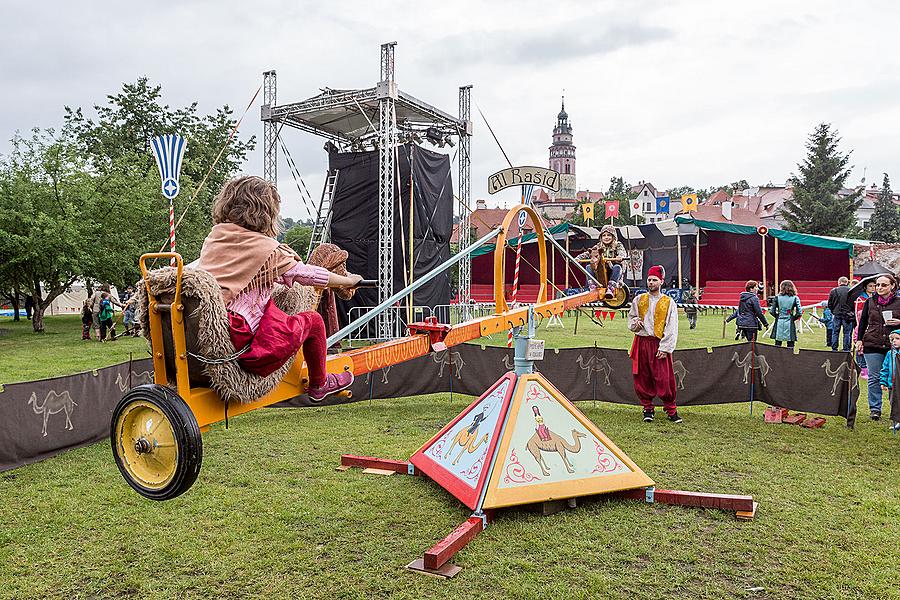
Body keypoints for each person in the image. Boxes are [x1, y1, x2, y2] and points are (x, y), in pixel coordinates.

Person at [197, 175, 361, 402]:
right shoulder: (267, 249)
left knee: (273, 307)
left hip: (214, 324)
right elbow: (307, 274)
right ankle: (319, 383)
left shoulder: (215, 238)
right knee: (313, 321)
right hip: (240, 334)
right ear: (266, 211)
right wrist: (347, 281)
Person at [628, 265, 681, 423]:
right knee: (643, 377)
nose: (651, 282)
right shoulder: (639, 299)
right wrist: (635, 324)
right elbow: (631, 319)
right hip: (642, 342)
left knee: (664, 377)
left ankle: (671, 410)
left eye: (654, 280)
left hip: (659, 343)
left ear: (661, 281)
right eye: (649, 280)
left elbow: (672, 326)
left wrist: (665, 347)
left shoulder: (668, 302)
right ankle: (647, 409)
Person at [855, 273, 900, 420]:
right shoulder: (870, 302)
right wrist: (859, 340)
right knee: (874, 377)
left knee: (894, 377)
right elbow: (862, 323)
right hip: (872, 343)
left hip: (893, 344)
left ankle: (895, 410)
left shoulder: (899, 302)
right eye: (877, 285)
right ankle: (875, 409)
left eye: (884, 285)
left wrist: (898, 323)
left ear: (892, 286)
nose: (879, 287)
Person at [575, 225, 626, 299]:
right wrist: (578, 258)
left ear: (613, 237)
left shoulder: (617, 245)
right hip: (600, 271)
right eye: (604, 235)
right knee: (588, 266)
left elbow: (622, 252)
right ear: (601, 238)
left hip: (612, 270)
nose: (606, 237)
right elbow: (588, 253)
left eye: (609, 235)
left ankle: (611, 287)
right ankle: (592, 286)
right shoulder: (598, 246)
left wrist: (620, 256)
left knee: (617, 267)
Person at [769, 280, 802, 348]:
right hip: (790, 321)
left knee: (778, 343)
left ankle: (777, 357)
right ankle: (789, 357)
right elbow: (799, 312)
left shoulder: (777, 297)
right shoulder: (795, 298)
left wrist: (778, 316)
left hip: (779, 321)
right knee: (790, 343)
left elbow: (772, 311)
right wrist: (793, 318)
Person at [854, 279, 877, 377]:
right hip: (863, 325)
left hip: (873, 325)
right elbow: (858, 314)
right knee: (861, 348)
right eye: (870, 286)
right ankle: (861, 368)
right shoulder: (861, 299)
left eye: (874, 286)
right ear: (865, 287)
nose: (873, 288)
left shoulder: (876, 298)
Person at [879, 329, 900, 432]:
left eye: (897, 339)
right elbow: (885, 368)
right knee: (893, 403)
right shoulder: (889, 354)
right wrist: (883, 381)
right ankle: (897, 421)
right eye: (892, 339)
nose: (894, 341)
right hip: (892, 385)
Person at [827, 277, 855, 352]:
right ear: (847, 282)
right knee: (847, 333)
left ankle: (834, 348)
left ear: (839, 282)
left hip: (837, 314)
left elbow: (830, 303)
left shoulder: (833, 291)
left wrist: (833, 311)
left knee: (835, 332)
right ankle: (846, 349)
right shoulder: (851, 291)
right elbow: (853, 303)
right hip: (847, 315)